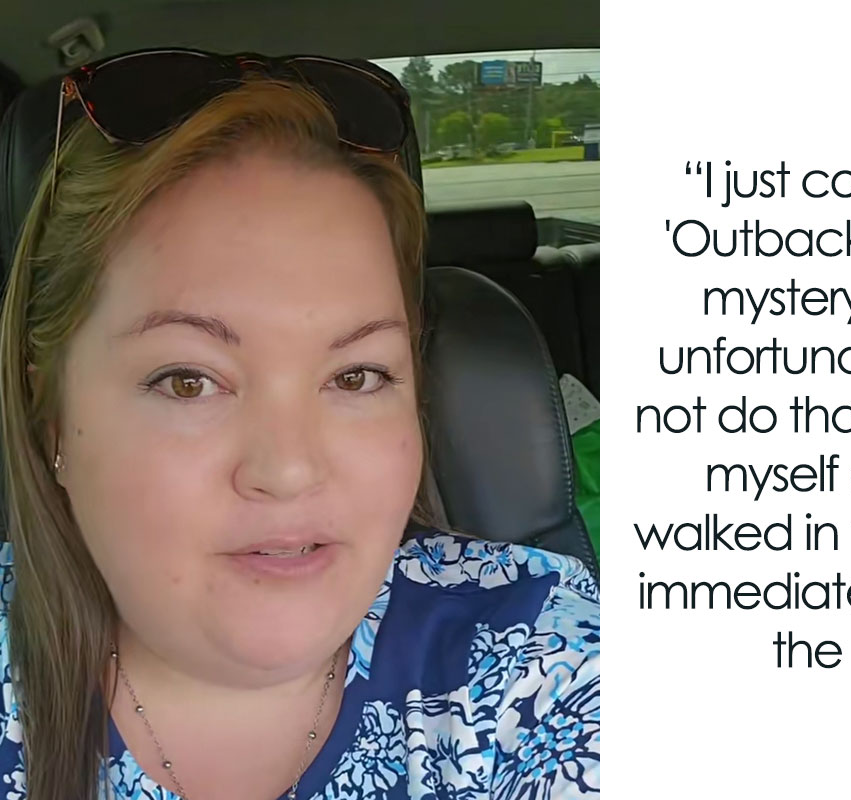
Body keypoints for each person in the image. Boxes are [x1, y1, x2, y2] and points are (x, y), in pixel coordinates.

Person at [0, 52, 599, 800]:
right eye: (189, 381)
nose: (289, 471)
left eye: (356, 376)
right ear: (53, 417)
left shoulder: (540, 654)